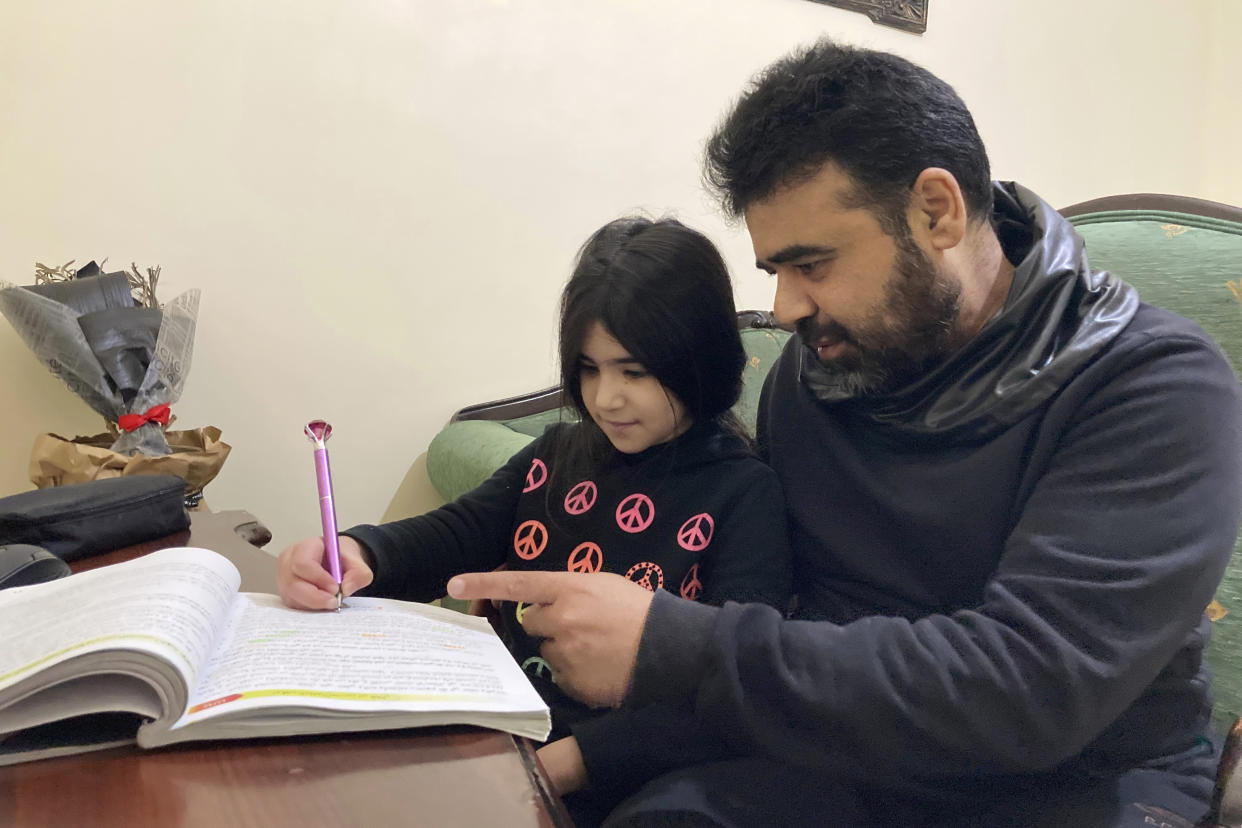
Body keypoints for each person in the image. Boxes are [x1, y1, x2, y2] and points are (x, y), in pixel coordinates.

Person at [446, 38, 1242, 826]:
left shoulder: (1153, 385)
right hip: (852, 753)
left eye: (813, 265)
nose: (787, 307)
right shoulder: (815, 375)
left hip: (1080, 779)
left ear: (937, 211)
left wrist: (675, 645)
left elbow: (1030, 692)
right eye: (775, 274)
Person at [277, 216, 792, 821]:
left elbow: (730, 701)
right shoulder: (556, 453)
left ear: (699, 361)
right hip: (492, 738)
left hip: (621, 783)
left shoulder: (744, 495)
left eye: (634, 372)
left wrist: (559, 766)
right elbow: (456, 533)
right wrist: (355, 553)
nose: (606, 398)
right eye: (589, 369)